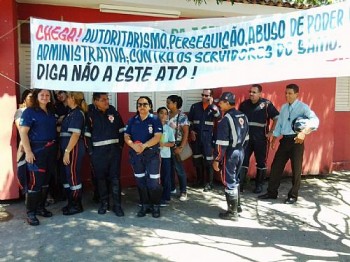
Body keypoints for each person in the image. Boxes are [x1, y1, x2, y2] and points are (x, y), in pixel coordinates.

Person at [258, 83, 319, 204]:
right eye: (286, 93)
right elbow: (280, 123)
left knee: (296, 169)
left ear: (297, 94)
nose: (287, 95)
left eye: (290, 93)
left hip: (297, 140)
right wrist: (274, 137)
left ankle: (293, 195)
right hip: (285, 141)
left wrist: (304, 132)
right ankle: (272, 192)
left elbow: (315, 120)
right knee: (276, 166)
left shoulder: (303, 107)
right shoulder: (284, 107)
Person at [19, 89, 57, 226]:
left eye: (47, 95)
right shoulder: (29, 112)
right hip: (37, 151)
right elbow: (23, 133)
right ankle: (31, 213)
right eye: (42, 95)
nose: (45, 97)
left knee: (46, 181)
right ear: (37, 96)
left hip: (51, 151)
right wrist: (28, 152)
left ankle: (41, 208)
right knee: (36, 182)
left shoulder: (51, 112)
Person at [85, 92, 125, 216]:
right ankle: (104, 204)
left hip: (114, 152)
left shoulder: (114, 112)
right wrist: (91, 152)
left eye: (107, 99)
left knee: (115, 179)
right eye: (103, 100)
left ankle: (117, 206)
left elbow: (121, 130)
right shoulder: (90, 114)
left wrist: (119, 147)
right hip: (98, 153)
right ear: (95, 101)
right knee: (101, 179)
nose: (107, 101)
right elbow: (87, 136)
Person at [213, 92, 249, 221]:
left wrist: (217, 159)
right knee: (236, 178)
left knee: (229, 180)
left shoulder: (225, 119)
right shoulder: (243, 116)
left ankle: (232, 212)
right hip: (241, 151)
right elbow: (247, 138)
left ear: (227, 103)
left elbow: (222, 144)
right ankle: (237, 206)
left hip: (230, 153)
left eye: (221, 102)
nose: (219, 105)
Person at [124, 96, 163, 218]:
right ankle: (144, 205)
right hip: (136, 156)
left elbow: (157, 137)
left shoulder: (155, 119)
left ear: (150, 106)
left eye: (145, 104)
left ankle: (155, 206)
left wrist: (144, 146)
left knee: (153, 182)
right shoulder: (132, 120)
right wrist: (132, 145)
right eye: (139, 104)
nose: (142, 107)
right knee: (140, 181)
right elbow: (126, 136)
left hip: (152, 156)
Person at [238, 84, 279, 193]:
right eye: (250, 91)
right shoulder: (244, 105)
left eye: (254, 92)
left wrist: (271, 131)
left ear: (260, 94)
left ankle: (259, 185)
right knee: (243, 161)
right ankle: (240, 185)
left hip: (261, 139)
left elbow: (277, 117)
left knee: (261, 162)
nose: (251, 94)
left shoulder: (266, 104)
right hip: (246, 139)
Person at [60, 92, 88, 215]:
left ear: (73, 99)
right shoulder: (71, 112)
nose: (67, 98)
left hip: (73, 149)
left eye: (69, 96)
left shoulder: (77, 113)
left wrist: (67, 151)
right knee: (67, 175)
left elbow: (75, 134)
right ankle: (71, 203)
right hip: (68, 148)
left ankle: (77, 205)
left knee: (73, 175)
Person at [188, 89, 221, 192]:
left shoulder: (214, 108)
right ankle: (200, 181)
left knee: (208, 161)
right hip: (196, 137)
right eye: (202, 95)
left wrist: (212, 106)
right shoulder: (195, 106)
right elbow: (189, 121)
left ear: (211, 97)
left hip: (208, 138)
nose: (203, 97)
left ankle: (209, 183)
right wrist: (191, 131)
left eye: (206, 95)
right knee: (197, 159)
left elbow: (219, 117)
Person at [166, 95, 190, 201]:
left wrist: (181, 147)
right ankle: (171, 188)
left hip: (177, 145)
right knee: (169, 168)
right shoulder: (166, 115)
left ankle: (183, 191)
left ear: (175, 104)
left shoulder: (182, 117)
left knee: (179, 169)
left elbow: (186, 133)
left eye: (168, 102)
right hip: (167, 145)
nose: (167, 104)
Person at [14, 89, 33, 194]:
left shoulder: (36, 110)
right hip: (24, 146)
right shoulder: (20, 111)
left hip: (36, 145)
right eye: (30, 97)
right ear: (24, 98)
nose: (32, 99)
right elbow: (21, 129)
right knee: (24, 173)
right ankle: (27, 197)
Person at [157, 107, 175, 207]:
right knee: (155, 177)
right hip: (155, 156)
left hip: (165, 156)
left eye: (165, 113)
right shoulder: (153, 127)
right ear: (157, 114)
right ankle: (155, 197)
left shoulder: (168, 129)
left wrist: (164, 144)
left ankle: (166, 197)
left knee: (166, 176)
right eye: (161, 113)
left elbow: (172, 143)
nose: (163, 115)